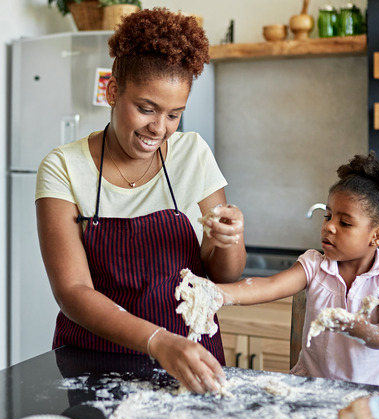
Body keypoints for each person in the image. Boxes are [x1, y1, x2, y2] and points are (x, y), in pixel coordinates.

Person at [35, 8, 246, 395]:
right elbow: (73, 291)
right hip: (93, 363)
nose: (159, 128)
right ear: (113, 92)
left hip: (188, 358)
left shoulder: (193, 154)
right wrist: (158, 341)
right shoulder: (63, 167)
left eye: (173, 115)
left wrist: (227, 238)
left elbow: (223, 277)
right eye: (146, 109)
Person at [204, 148, 379, 389]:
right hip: (313, 389)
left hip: (373, 395)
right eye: (327, 216)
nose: (329, 227)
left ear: (378, 236)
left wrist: (358, 327)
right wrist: (216, 293)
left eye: (344, 223)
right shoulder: (315, 265)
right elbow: (269, 286)